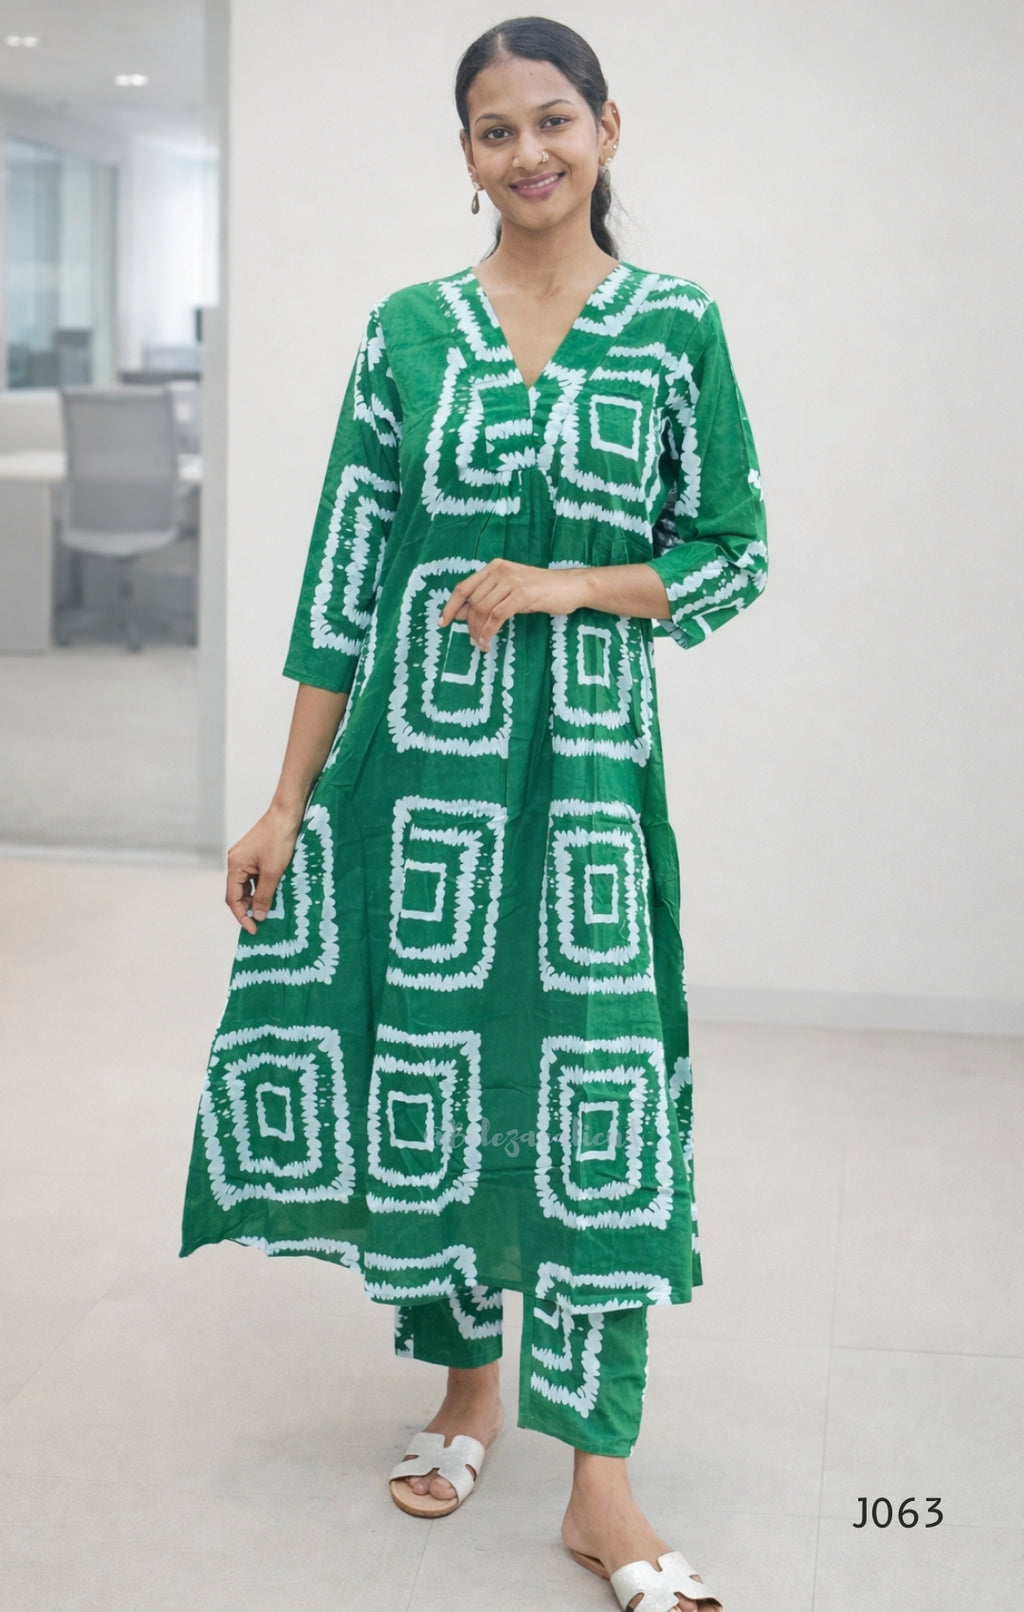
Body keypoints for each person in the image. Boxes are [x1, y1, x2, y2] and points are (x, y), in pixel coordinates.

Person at [180, 16, 766, 1611]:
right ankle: (463, 1386)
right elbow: (341, 577)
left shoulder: (674, 327)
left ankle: (603, 1483)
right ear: (465, 153)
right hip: (414, 778)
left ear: (609, 130)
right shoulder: (407, 332)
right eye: (495, 130)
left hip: (581, 787)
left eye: (555, 122)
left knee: (597, 1098)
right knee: (433, 1064)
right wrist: (286, 799)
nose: (529, 154)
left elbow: (732, 547)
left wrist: (576, 581)